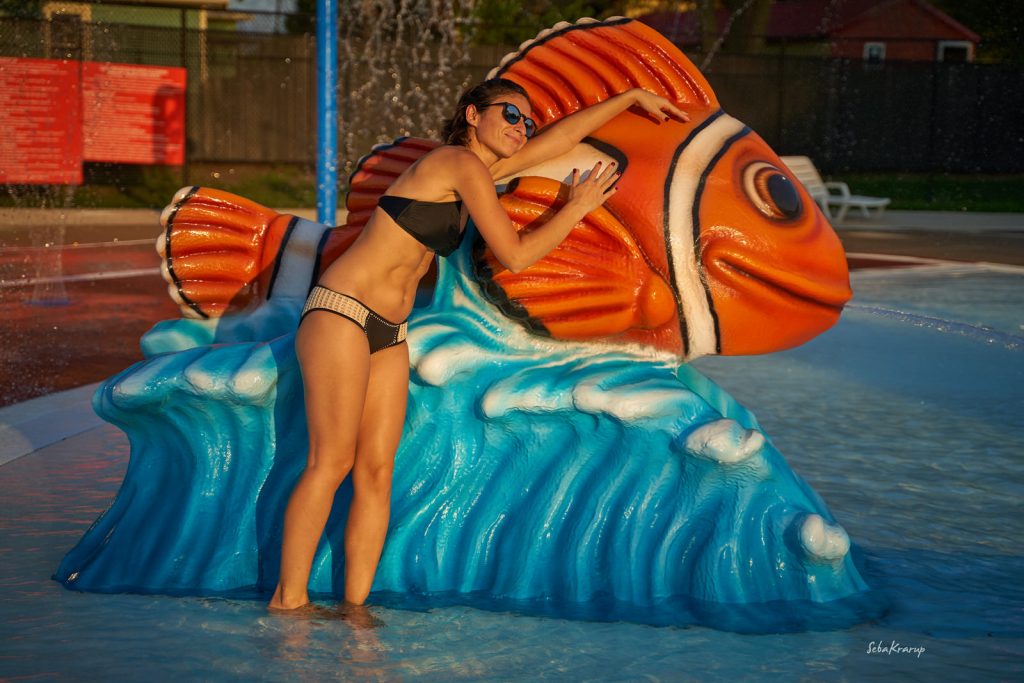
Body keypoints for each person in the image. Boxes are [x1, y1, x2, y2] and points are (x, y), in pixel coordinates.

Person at [269, 78, 688, 613]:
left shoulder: (477, 173)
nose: (521, 128)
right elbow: (515, 254)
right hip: (341, 312)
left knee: (376, 473)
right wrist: (576, 207)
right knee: (331, 462)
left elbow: (557, 141)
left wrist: (628, 100)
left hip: (389, 330)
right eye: (510, 115)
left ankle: (355, 611)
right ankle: (288, 603)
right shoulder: (456, 163)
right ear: (472, 115)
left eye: (526, 122)